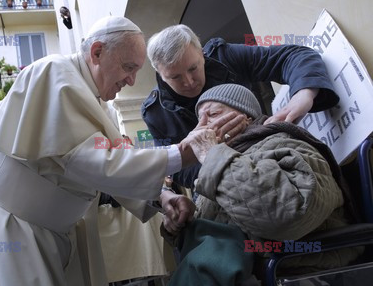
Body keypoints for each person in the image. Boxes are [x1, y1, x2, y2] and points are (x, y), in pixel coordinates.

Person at [0, 16, 209, 286]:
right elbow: (89, 161)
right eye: (128, 68)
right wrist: (181, 154)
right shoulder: (55, 72)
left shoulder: (93, 98)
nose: (131, 80)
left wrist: (162, 196)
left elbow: (109, 161)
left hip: (39, 229)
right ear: (97, 52)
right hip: (2, 222)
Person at [160, 83, 359, 286]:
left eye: (214, 114)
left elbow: (283, 215)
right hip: (242, 279)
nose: (201, 126)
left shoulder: (284, 143)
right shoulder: (225, 160)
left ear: (247, 117)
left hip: (292, 272)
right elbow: (212, 234)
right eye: (199, 119)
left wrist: (211, 155)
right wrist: (180, 224)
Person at [141, 24, 339, 190]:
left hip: (270, 156)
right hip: (216, 186)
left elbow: (294, 56)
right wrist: (213, 158)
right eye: (175, 77)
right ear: (159, 72)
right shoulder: (155, 113)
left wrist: (304, 93)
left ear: (202, 53)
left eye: (193, 68)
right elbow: (175, 168)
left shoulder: (225, 57)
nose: (189, 81)